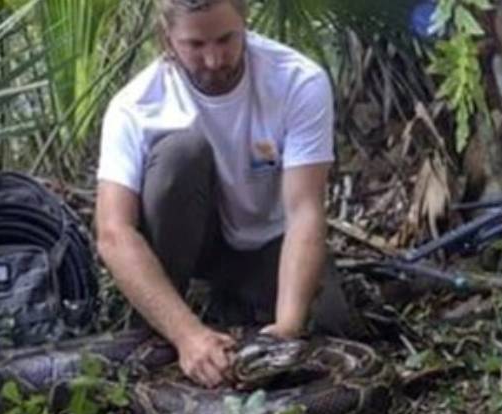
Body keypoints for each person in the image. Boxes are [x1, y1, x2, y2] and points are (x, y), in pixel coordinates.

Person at [94, 0, 360, 389]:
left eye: (226, 39)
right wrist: (187, 335)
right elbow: (113, 233)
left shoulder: (297, 79)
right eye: (196, 45)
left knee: (331, 330)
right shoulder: (134, 107)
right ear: (167, 38)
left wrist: (284, 331)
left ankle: (234, 306)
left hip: (270, 242)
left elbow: (305, 212)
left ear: (245, 22)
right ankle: (166, 324)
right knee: (180, 156)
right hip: (195, 247)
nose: (215, 59)